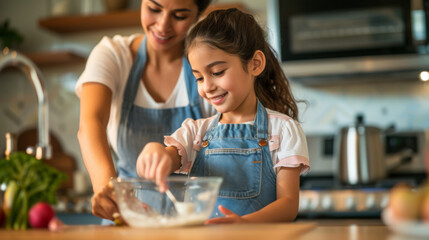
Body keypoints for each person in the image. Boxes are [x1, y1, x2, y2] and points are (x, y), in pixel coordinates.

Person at [136, 8, 310, 223]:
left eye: (217, 72)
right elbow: (169, 156)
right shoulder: (195, 132)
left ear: (255, 64)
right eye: (199, 78)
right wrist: (155, 152)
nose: (207, 87)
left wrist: (246, 224)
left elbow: (288, 205)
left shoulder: (283, 130)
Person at [75, 0, 215, 222]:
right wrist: (108, 189)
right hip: (126, 217)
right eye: (154, 9)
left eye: (179, 16)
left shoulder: (209, 65)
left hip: (195, 221)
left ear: (198, 15)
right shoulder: (113, 55)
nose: (162, 25)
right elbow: (92, 123)